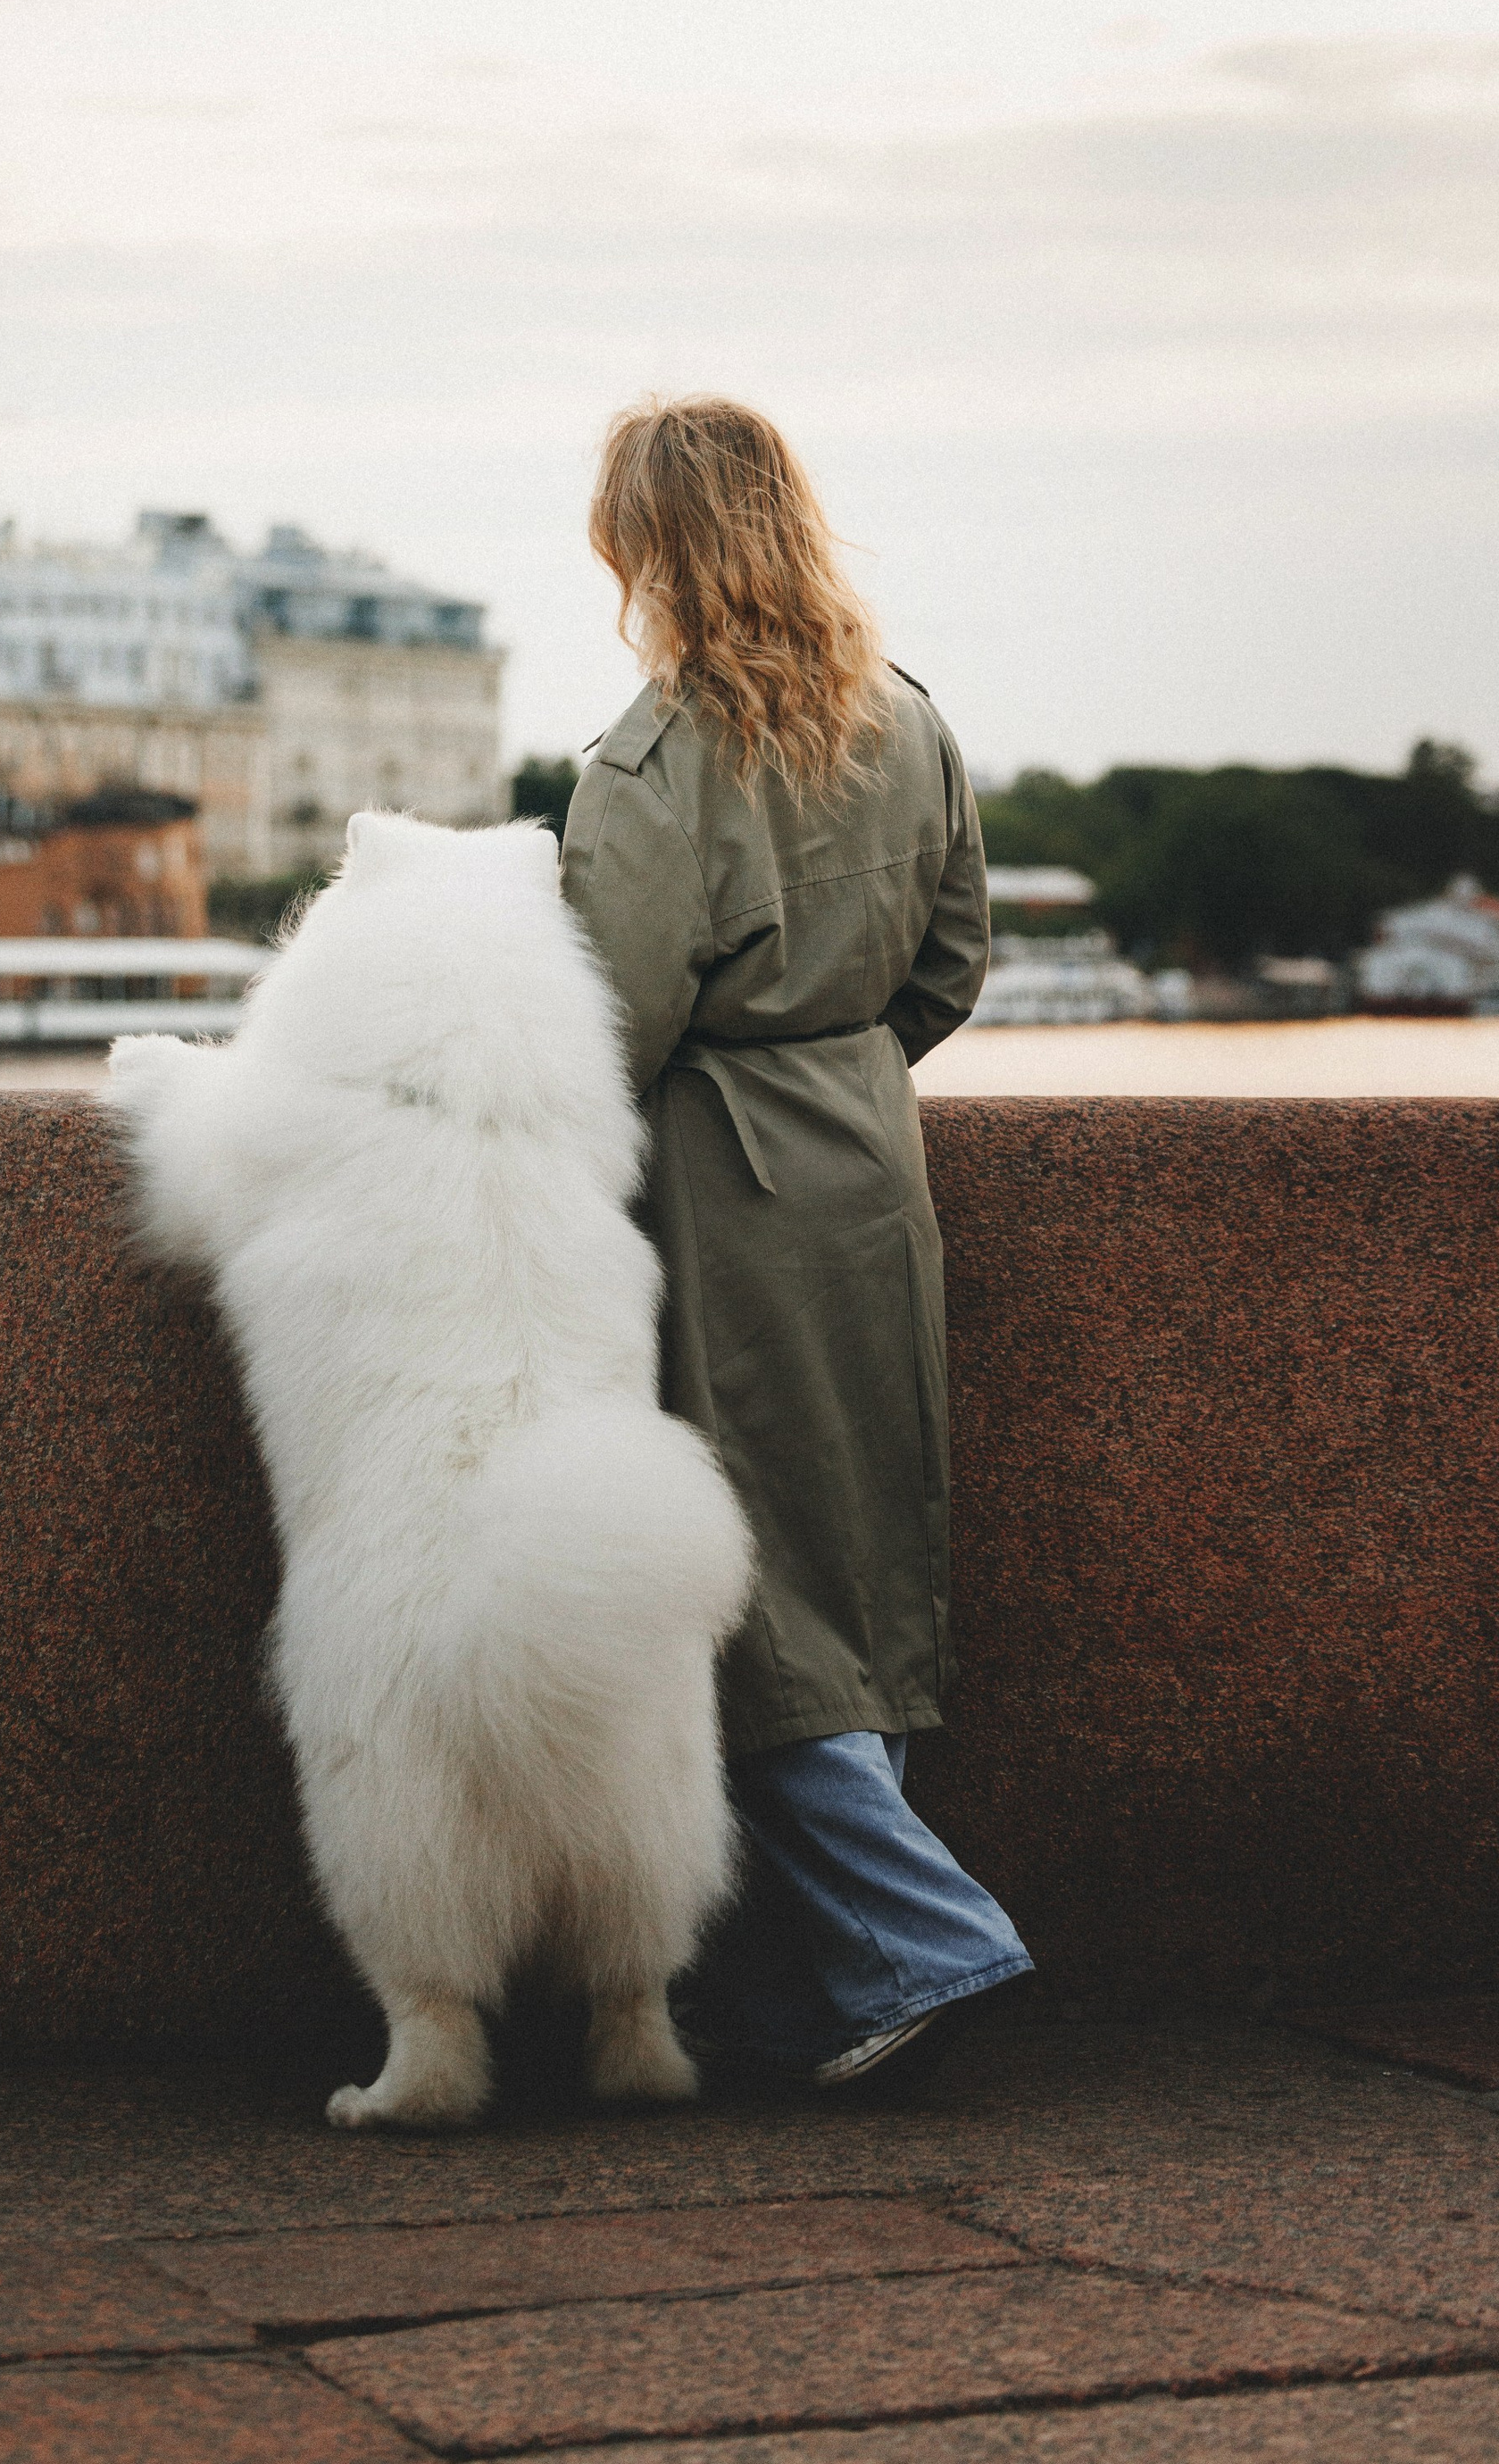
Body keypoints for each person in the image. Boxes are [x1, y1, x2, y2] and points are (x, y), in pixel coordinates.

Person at [562, 395, 1031, 2088]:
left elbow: (604, 1022)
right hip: (871, 1168)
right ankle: (819, 1979)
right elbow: (953, 961)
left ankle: (928, 1941)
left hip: (721, 1184)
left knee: (750, 1582)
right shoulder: (904, 718)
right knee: (867, 1555)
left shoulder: (656, 759)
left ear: (646, 548)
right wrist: (840, 1065)